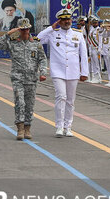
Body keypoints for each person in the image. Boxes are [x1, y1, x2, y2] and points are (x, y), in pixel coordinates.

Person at [37, 9, 89, 137]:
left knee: (70, 100)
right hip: (58, 71)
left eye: (68, 19)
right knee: (61, 97)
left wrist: (84, 72)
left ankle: (68, 127)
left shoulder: (78, 34)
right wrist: (51, 28)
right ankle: (59, 126)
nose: (66, 21)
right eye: (63, 20)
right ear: (59, 21)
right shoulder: (52, 33)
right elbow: (37, 39)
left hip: (73, 71)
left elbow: (83, 53)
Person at [0, 18, 47, 140]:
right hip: (18, 78)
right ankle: (20, 128)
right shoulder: (13, 42)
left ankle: (27, 128)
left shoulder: (36, 43)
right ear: (19, 30)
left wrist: (43, 72)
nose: (26, 32)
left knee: (29, 104)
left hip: (31, 79)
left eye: (27, 29)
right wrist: (8, 33)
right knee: (20, 103)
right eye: (23, 29)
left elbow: (42, 59)